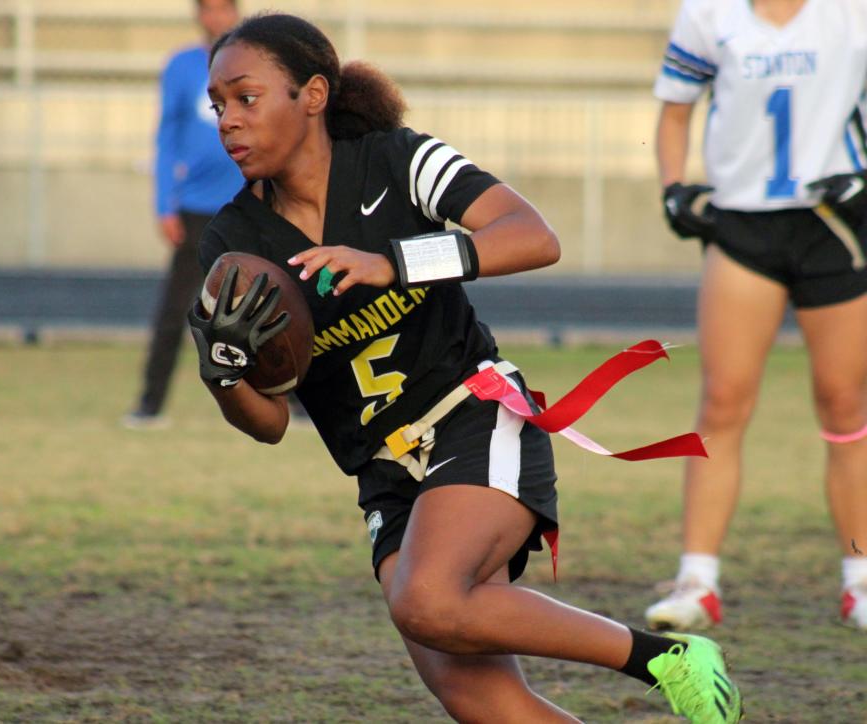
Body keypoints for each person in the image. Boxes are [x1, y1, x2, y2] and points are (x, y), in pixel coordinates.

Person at [187, 13, 743, 722]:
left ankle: (665, 659)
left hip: (472, 416)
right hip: (383, 477)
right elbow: (266, 424)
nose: (228, 121)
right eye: (218, 106)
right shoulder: (234, 241)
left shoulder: (395, 161)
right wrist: (223, 370)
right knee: (481, 699)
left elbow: (533, 236)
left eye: (246, 97)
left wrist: (394, 264)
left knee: (428, 600)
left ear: (314, 94)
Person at [646, 0, 867, 632]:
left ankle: (859, 574)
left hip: (834, 225)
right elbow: (676, 109)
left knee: (845, 405)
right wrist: (672, 186)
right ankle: (698, 578)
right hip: (743, 226)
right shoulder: (708, 14)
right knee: (722, 401)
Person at [123, 0, 244, 429]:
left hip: (248, 207)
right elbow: (167, 139)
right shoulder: (181, 66)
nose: (216, 17)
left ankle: (302, 408)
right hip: (195, 211)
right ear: (199, 15)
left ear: (235, 12)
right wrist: (164, 203)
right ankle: (149, 406)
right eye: (208, 9)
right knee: (175, 311)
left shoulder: (258, 62)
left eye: (223, 8)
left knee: (280, 307)